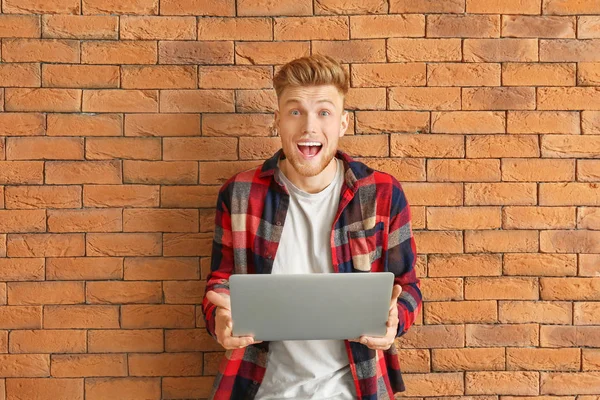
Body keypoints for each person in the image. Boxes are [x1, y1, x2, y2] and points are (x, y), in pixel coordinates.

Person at [202, 54, 422, 400]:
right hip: (260, 388)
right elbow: (221, 284)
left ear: (343, 123)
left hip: (357, 389)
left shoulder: (382, 193)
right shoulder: (239, 195)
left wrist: (397, 319)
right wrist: (220, 318)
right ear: (277, 120)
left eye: (324, 112)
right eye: (295, 112)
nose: (309, 127)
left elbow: (407, 287)